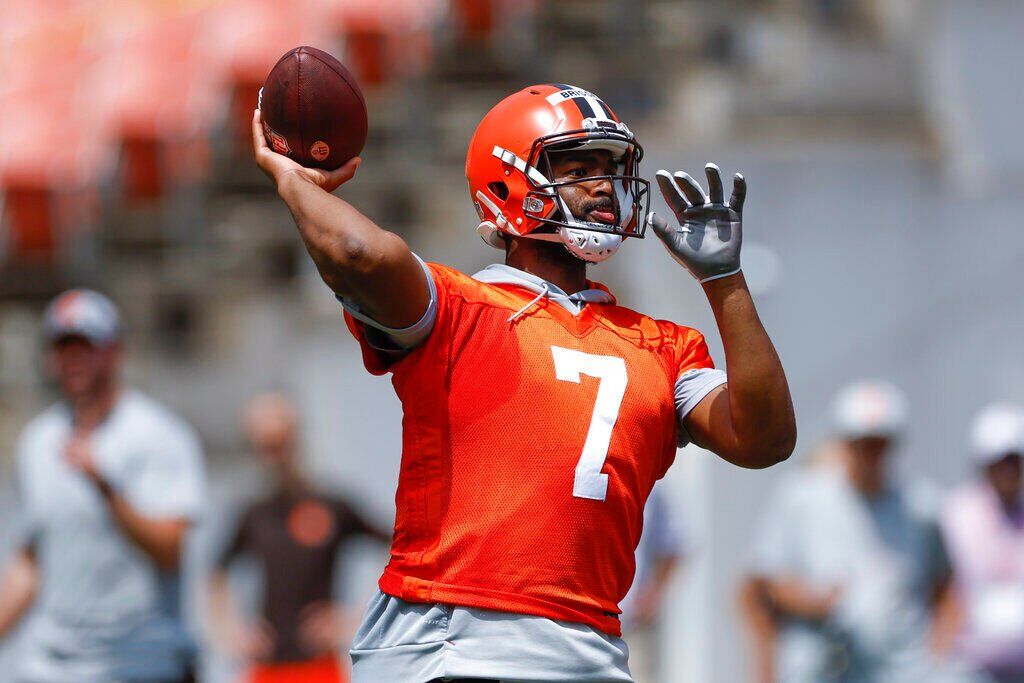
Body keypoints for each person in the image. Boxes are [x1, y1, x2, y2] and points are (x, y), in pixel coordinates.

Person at [252, 82, 796, 682]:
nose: (602, 186)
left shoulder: (663, 345)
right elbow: (358, 253)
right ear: (508, 180)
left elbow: (765, 439)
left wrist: (725, 282)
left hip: (590, 650)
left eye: (608, 169)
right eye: (577, 167)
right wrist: (294, 183)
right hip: (452, 642)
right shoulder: (457, 307)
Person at [0, 289, 206, 683]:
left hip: (140, 662)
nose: (73, 360)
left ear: (114, 351)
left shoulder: (159, 435)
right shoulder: (37, 442)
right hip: (52, 665)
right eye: (63, 348)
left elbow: (169, 551)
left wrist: (107, 491)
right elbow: (29, 562)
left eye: (86, 346)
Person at [740, 380, 970, 683]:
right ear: (844, 443)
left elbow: (946, 585)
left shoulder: (921, 505)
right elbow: (760, 584)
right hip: (819, 666)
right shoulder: (801, 499)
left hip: (903, 670)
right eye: (860, 443)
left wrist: (939, 651)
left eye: (878, 443)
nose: (869, 454)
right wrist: (811, 601)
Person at [206, 391, 388, 683]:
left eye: (280, 443)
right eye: (265, 446)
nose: (274, 456)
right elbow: (216, 575)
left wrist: (360, 617)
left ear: (295, 439)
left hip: (318, 664)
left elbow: (397, 546)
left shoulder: (332, 505)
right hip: (267, 667)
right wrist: (232, 630)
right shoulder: (253, 513)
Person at [939, 404, 1024, 683]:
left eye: (1013, 461)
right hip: (969, 667)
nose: (1007, 470)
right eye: (999, 462)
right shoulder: (955, 514)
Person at [619, 486, 687, 683]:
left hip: (635, 620)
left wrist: (653, 593)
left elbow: (674, 543)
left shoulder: (651, 486)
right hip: (589, 619)